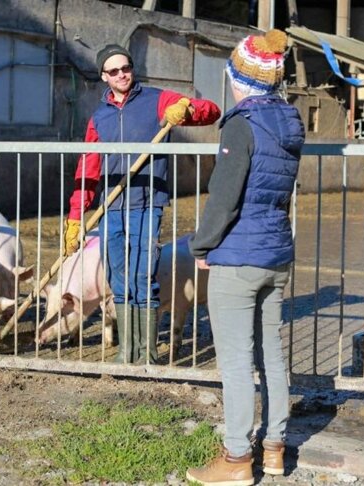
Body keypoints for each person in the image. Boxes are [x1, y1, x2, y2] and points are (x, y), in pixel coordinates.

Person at [185, 29, 305, 485]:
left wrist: (202, 245)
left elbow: (225, 197)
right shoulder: (289, 122)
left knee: (236, 361)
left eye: (232, 72)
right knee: (271, 355)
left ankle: (237, 458)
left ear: (240, 77)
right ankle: (274, 450)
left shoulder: (241, 124)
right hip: (276, 253)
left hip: (238, 256)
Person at [62, 43, 221, 365]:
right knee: (118, 277)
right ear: (103, 76)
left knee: (142, 276)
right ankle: (126, 352)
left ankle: (146, 354)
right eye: (114, 71)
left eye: (126, 68)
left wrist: (186, 109)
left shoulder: (158, 101)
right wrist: (76, 217)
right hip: (111, 207)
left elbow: (212, 111)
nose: (122, 74)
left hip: (147, 203)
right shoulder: (100, 118)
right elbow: (88, 167)